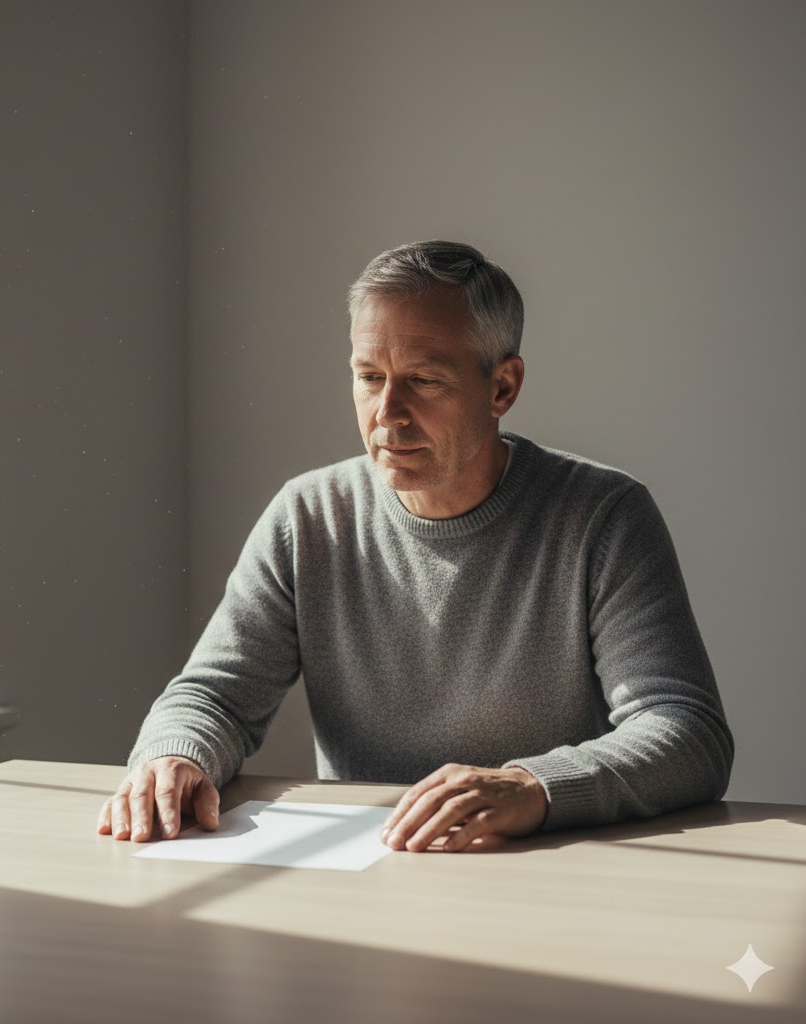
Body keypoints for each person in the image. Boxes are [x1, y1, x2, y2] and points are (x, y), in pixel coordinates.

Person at [96, 240, 734, 853]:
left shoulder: (603, 517)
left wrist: (531, 785)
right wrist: (174, 753)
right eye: (369, 377)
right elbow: (213, 697)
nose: (387, 414)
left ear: (502, 388)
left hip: (546, 869)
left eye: (424, 381)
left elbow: (686, 732)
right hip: (367, 865)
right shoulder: (309, 515)